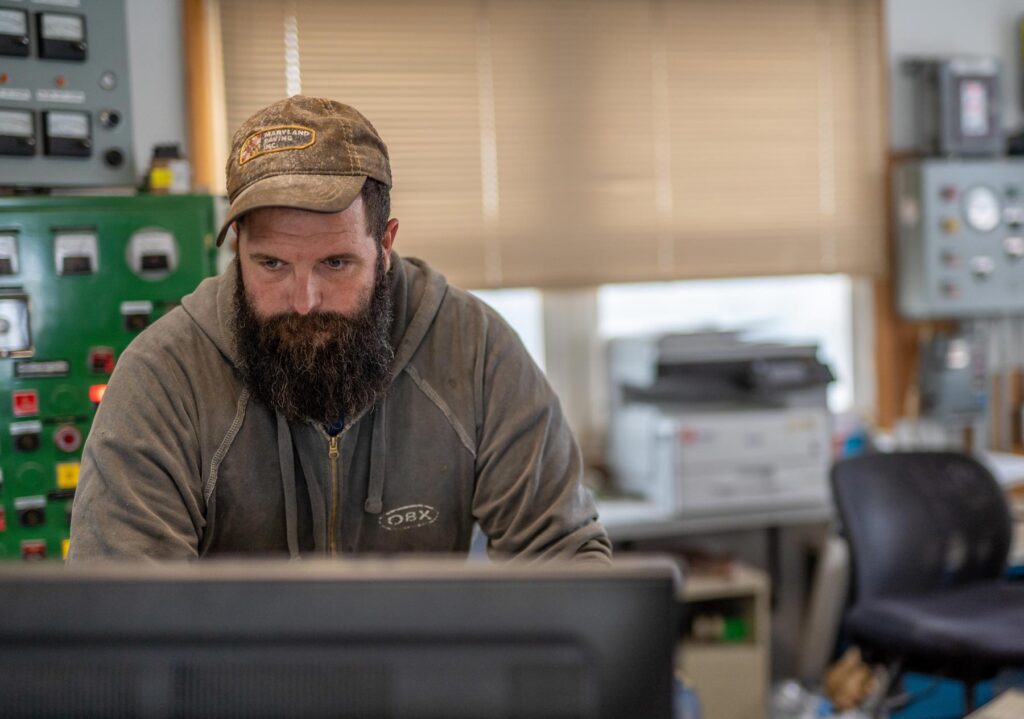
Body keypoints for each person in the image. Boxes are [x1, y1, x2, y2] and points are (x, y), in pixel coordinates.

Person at [68, 96, 611, 563]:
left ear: (385, 243)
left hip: (417, 685)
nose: (304, 302)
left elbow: (562, 554)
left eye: (335, 264)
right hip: (230, 688)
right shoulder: (163, 378)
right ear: (238, 249)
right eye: (272, 265)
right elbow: (121, 609)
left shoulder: (475, 353)